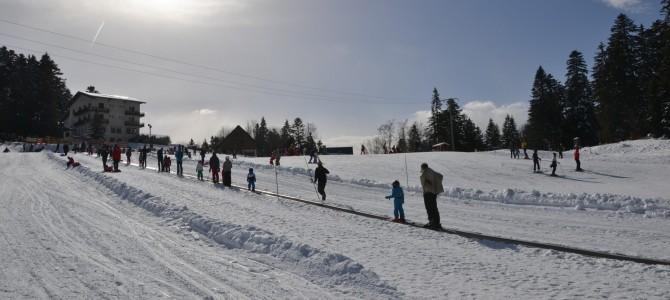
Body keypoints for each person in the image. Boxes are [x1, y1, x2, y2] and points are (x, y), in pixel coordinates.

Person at [419, 163, 444, 230]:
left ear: (423, 167)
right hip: (434, 193)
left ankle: (432, 223)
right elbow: (441, 176)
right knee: (434, 208)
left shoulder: (425, 172)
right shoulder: (432, 171)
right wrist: (435, 185)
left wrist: (428, 183)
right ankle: (437, 223)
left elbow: (422, 181)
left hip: (428, 193)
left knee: (429, 208)